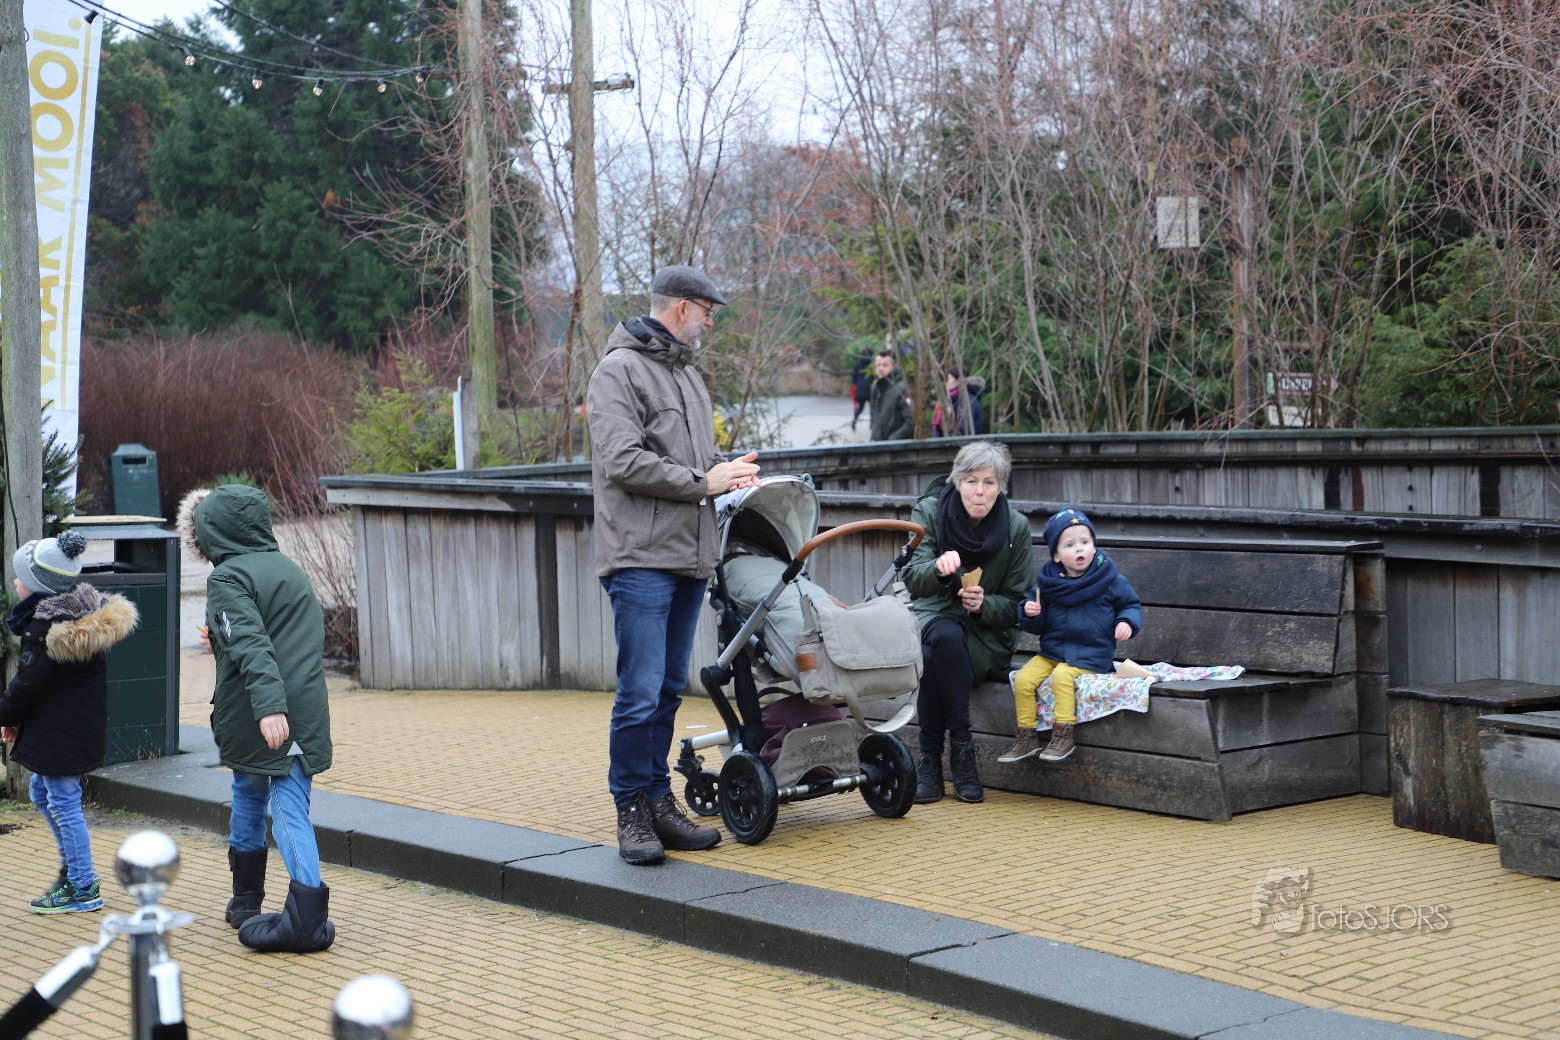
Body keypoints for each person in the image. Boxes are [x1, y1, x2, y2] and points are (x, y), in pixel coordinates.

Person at [587, 263, 762, 865]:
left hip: (689, 557)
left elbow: (697, 464)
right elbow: (622, 461)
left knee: (664, 690)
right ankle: (630, 809)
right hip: (639, 558)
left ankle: (659, 800)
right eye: (708, 313)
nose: (710, 324)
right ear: (683, 307)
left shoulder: (689, 378)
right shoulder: (617, 371)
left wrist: (728, 473)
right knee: (638, 692)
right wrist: (702, 480)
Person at [180, 485, 336, 952]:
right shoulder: (288, 568)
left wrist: (270, 708)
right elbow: (280, 634)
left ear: (211, 533)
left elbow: (252, 645)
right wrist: (219, 638)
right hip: (303, 706)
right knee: (253, 794)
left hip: (265, 714)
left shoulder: (226, 577)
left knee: (280, 807)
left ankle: (304, 917)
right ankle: (245, 902)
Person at [1, 531, 137, 914]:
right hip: (67, 729)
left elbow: (27, 685)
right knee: (42, 794)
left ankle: (83, 884)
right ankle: (73, 868)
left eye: (21, 577)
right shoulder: (76, 615)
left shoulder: (46, 629)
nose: (15, 581)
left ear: (40, 586)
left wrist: (6, 716)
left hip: (61, 734)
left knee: (62, 802)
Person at [903, 441, 1033, 803]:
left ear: (1001, 486)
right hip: (935, 616)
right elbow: (913, 578)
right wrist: (937, 569)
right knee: (943, 637)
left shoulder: (1016, 528)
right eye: (971, 481)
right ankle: (962, 750)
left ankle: (930, 758)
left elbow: (1019, 604)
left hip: (986, 637)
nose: (979, 491)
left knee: (931, 656)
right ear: (957, 481)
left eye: (989, 482)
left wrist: (983, 605)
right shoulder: (930, 512)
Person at [1000, 507, 1143, 764]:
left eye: (1085, 542)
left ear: (1094, 545)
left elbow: (1130, 605)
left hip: (1091, 654)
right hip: (1053, 652)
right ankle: (1026, 736)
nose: (1079, 549)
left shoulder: (1109, 579)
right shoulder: (1048, 584)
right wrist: (1030, 613)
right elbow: (1037, 625)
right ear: (1056, 555)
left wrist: (1126, 622)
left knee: (1061, 676)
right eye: (1070, 544)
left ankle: (1063, 735)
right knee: (1023, 679)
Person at [869, 349, 915, 441]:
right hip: (877, 443)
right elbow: (874, 417)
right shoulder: (876, 388)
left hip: (895, 445)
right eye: (878, 365)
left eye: (885, 365)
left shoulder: (903, 390)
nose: (880, 369)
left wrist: (893, 440)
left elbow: (911, 421)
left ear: (894, 367)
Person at [932, 368, 985, 437]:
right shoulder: (952, 400)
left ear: (959, 380)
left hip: (966, 443)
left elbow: (964, 429)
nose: (947, 383)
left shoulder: (969, 401)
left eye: (949, 379)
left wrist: (949, 419)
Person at [849, 347, 873, 431]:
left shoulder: (858, 363)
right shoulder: (871, 364)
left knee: (860, 408)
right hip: (870, 388)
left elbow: (854, 376)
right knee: (872, 408)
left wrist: (856, 384)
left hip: (860, 389)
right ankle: (872, 425)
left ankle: (854, 422)